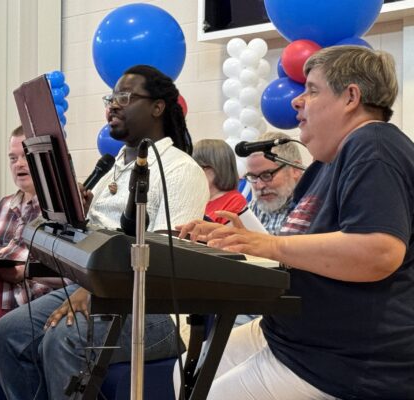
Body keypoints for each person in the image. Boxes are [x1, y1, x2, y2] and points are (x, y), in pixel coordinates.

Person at [177, 46, 414, 399]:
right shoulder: (325, 162)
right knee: (186, 375)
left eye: (312, 90)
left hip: (348, 359)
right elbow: (305, 250)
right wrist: (241, 239)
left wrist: (268, 245)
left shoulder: (373, 144)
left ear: (351, 97)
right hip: (293, 336)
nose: (296, 102)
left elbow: (378, 251)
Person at [0, 65, 209, 400]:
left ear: (157, 106)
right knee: (8, 333)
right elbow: (98, 244)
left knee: (65, 338)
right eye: (110, 98)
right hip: (97, 290)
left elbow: (166, 259)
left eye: (124, 97)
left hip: (156, 310)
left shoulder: (180, 170)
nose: (112, 106)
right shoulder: (115, 167)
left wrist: (97, 293)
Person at [0, 126, 60, 334]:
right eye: (13, 158)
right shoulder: (2, 206)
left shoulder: (62, 209)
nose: (19, 164)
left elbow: (75, 274)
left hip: (33, 300)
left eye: (25, 156)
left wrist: (25, 273)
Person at [245, 131, 302, 235]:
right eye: (253, 177)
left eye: (267, 175)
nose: (260, 185)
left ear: (295, 169)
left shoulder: (313, 207)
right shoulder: (252, 210)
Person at [192, 139, 246, 224]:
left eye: (198, 167)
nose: (192, 173)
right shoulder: (197, 200)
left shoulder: (234, 201)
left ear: (217, 168)